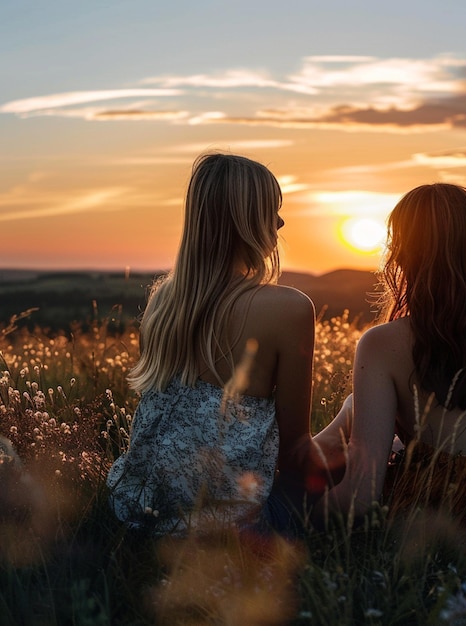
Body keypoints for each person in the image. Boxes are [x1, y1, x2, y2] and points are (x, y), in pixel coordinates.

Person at [313, 183, 466, 534]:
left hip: (435, 520)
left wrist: (291, 510)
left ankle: (280, 472)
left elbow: (359, 501)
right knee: (355, 409)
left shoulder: (382, 345)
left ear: (400, 253)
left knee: (349, 422)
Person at [107, 153, 316, 535]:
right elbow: (296, 449)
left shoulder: (164, 302)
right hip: (232, 522)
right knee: (347, 443)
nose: (281, 222)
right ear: (245, 220)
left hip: (138, 513)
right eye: (272, 210)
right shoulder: (289, 308)